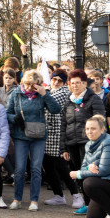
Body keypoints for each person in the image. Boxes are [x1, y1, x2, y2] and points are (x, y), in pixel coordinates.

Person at [6, 70, 61, 211]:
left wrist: (45, 94)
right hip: (21, 135)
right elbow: (7, 113)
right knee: (19, 169)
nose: (31, 87)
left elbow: (55, 109)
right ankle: (17, 199)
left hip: (38, 136)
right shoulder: (16, 93)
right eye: (28, 84)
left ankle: (34, 200)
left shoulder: (42, 95)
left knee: (36, 168)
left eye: (34, 85)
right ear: (24, 82)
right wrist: (15, 119)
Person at [63, 69, 105, 215]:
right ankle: (86, 203)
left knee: (89, 174)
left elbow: (100, 121)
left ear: (84, 84)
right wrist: (64, 148)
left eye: (78, 83)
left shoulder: (94, 99)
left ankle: (95, 203)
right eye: (72, 83)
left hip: (88, 143)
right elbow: (64, 125)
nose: (75, 86)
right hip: (71, 143)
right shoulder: (68, 101)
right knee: (78, 174)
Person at [42, 70, 77, 206]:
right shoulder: (48, 91)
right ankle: (58, 195)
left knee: (61, 166)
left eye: (59, 80)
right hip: (47, 134)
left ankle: (76, 195)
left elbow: (51, 102)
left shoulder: (63, 93)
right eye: (54, 79)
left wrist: (42, 93)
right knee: (48, 166)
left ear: (64, 82)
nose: (56, 82)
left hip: (58, 135)